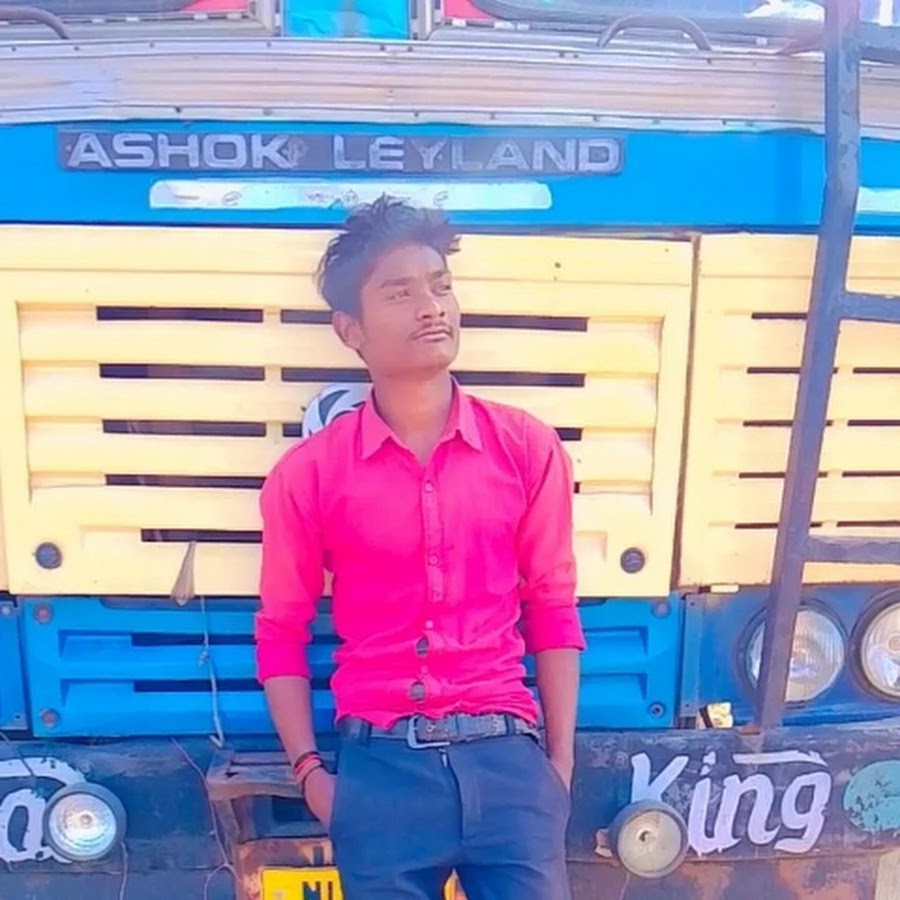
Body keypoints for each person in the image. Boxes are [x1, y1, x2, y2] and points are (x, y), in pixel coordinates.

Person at [255, 195, 586, 900]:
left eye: (440, 286)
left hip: (508, 763)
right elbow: (281, 630)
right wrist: (313, 777)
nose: (431, 307)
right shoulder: (308, 475)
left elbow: (553, 607)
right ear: (350, 330)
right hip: (381, 776)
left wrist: (557, 770)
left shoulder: (526, 449)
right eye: (399, 293)